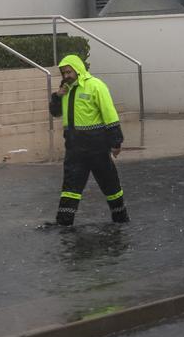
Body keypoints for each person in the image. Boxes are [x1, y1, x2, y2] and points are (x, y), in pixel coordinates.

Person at [49, 54, 129, 225]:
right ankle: (63, 223)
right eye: (63, 73)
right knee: (70, 188)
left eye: (69, 72)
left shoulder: (96, 86)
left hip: (97, 147)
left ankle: (121, 219)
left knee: (111, 185)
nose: (66, 76)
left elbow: (109, 114)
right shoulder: (66, 90)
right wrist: (57, 96)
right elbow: (55, 113)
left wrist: (116, 142)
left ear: (78, 70)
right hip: (74, 148)